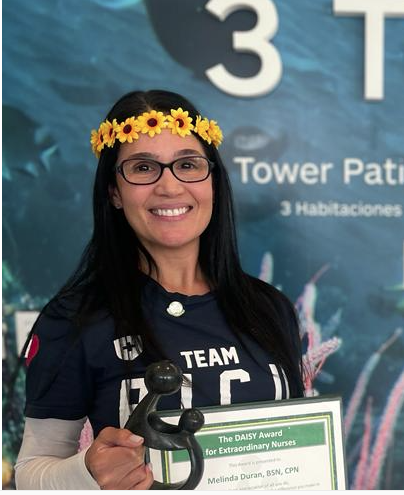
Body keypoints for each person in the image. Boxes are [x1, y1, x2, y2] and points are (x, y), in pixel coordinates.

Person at [14, 89, 304, 490]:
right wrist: (88, 474)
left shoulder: (271, 309)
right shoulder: (73, 320)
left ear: (213, 184)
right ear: (114, 192)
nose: (169, 187)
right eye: (143, 168)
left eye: (187, 164)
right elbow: (30, 473)